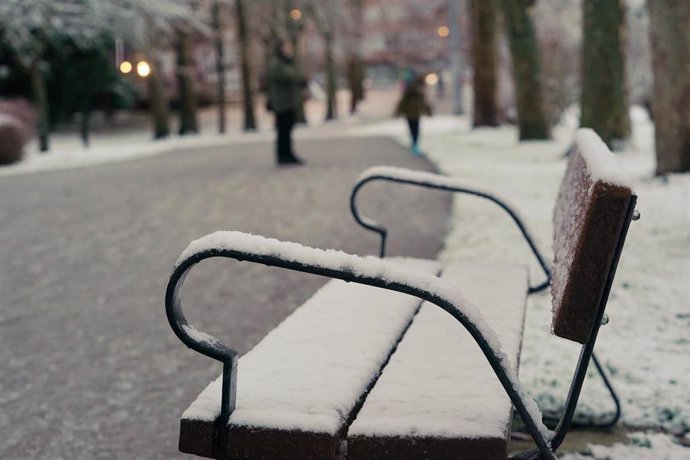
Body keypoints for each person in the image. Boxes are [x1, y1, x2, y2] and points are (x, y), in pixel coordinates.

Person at [265, 39, 307, 166]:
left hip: (289, 103)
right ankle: (282, 156)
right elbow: (289, 76)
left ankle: (288, 154)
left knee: (288, 131)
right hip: (282, 104)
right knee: (283, 131)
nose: (289, 50)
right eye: (286, 47)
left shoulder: (287, 63)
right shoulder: (277, 64)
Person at [394, 74, 432, 156]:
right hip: (409, 114)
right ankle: (414, 145)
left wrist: (428, 112)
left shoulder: (420, 95)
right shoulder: (410, 93)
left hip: (417, 114)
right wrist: (398, 112)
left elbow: (424, 104)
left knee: (416, 130)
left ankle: (415, 145)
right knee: (412, 130)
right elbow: (402, 102)